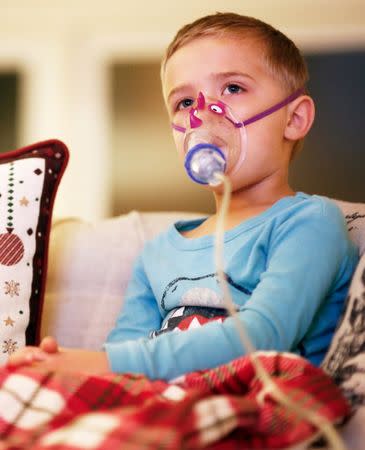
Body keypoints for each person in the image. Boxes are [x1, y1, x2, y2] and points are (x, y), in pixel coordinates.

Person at [8, 12, 358, 380]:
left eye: (233, 89)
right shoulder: (158, 253)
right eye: (185, 102)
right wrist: (65, 366)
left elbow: (263, 335)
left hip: (254, 407)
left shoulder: (309, 222)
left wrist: (102, 364)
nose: (203, 115)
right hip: (156, 408)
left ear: (294, 119)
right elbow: (124, 355)